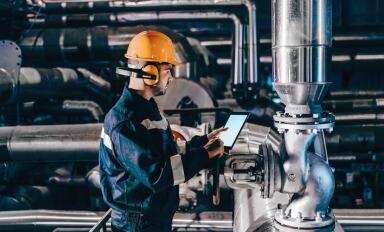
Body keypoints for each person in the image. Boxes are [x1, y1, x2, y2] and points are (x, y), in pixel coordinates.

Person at [99, 31, 226, 232]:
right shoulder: (126, 121)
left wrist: (200, 143)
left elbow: (163, 152)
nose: (171, 77)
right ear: (150, 72)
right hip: (137, 225)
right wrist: (206, 154)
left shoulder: (146, 108)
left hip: (150, 218)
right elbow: (159, 175)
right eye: (167, 69)